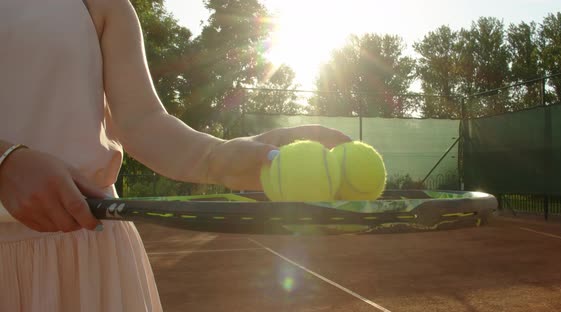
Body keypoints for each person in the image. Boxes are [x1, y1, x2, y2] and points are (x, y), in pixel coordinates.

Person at [0, 0, 351, 311]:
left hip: (85, 251)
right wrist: (5, 160)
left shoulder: (100, 4)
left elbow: (143, 122)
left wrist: (223, 155)